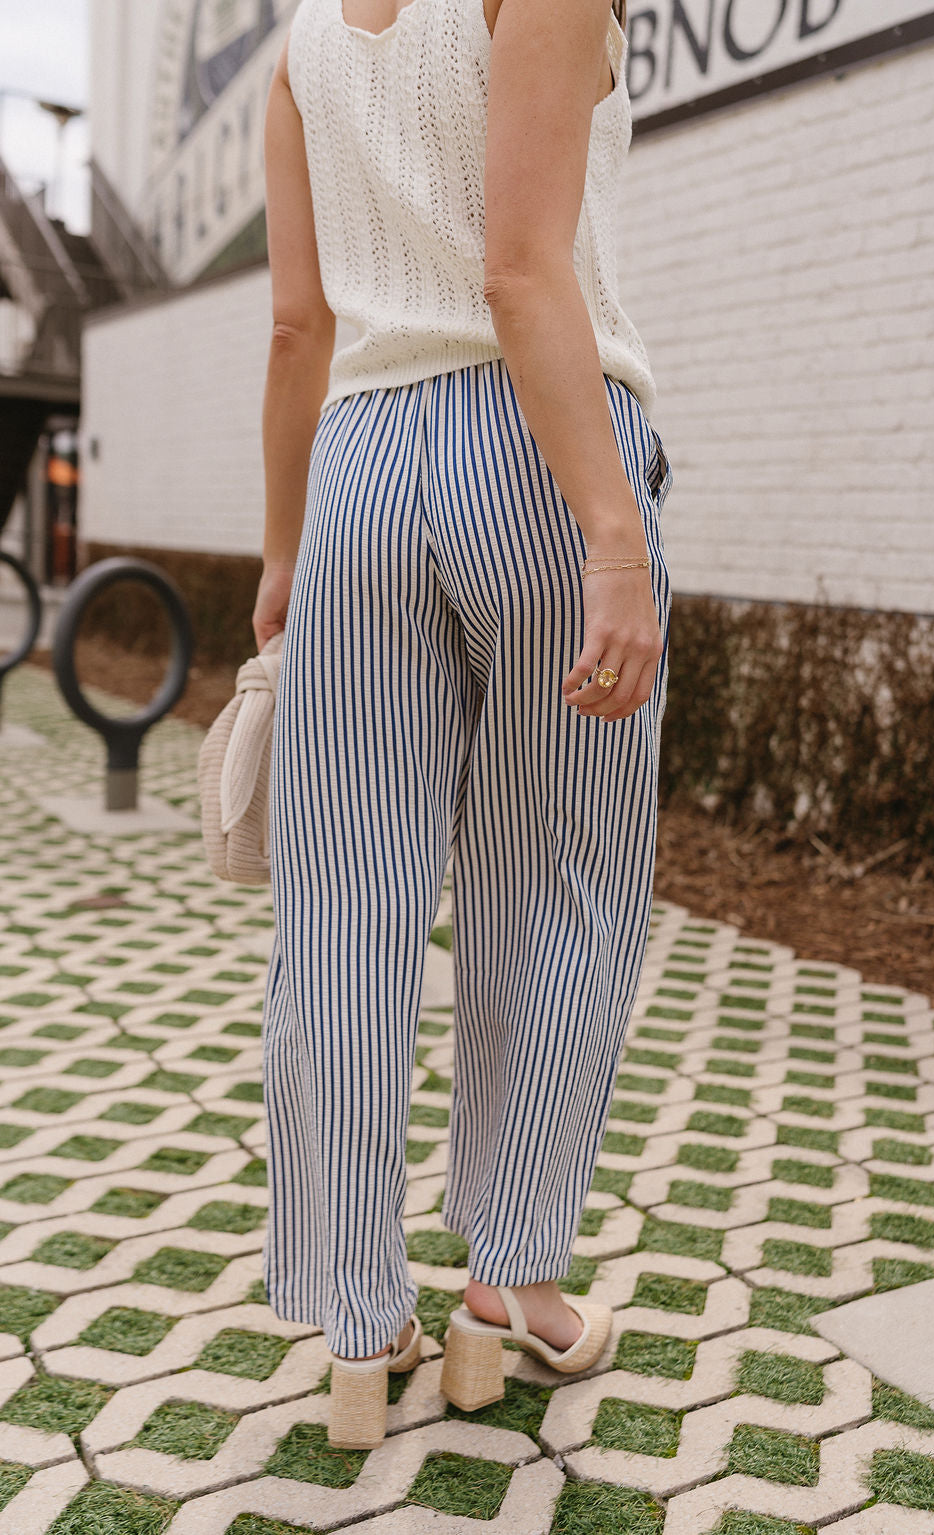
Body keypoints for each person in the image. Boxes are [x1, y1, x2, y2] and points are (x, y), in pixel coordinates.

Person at [253, 0, 674, 1450]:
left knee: (342, 899)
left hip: (358, 465)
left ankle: (363, 1323)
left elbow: (298, 324)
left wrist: (280, 549)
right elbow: (516, 267)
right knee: (558, 878)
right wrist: (612, 537)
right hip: (538, 450)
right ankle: (511, 1290)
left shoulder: (301, 47)